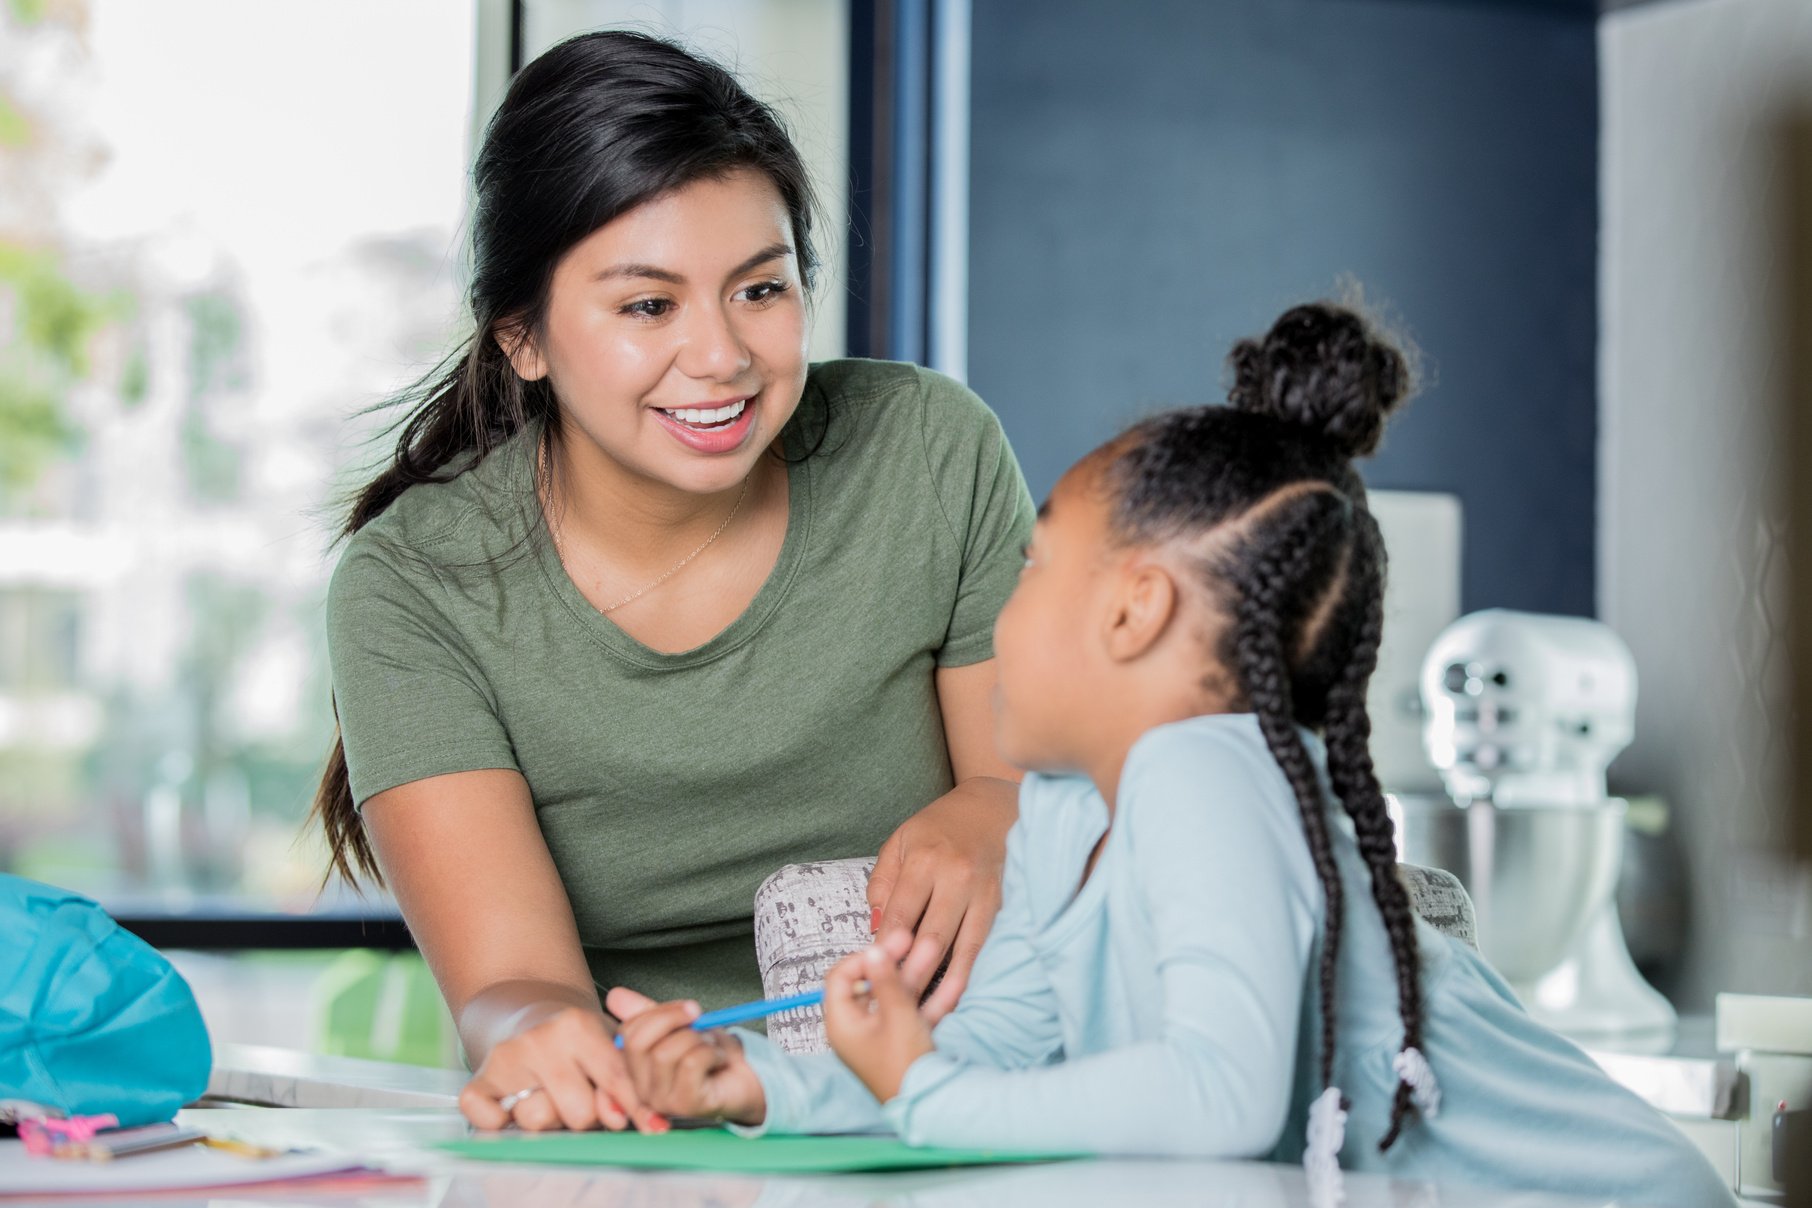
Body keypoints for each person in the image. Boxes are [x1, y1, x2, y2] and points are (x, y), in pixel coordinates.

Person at [609, 302, 1737, 1207]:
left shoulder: (1209, 771)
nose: (1002, 610)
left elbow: (1221, 1097)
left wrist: (919, 1084)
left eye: (1037, 566)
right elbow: (995, 1057)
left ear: (1133, 612)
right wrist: (763, 1084)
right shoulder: (1059, 810)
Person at [313, 30, 1033, 1135]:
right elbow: (514, 983)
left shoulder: (930, 449)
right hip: (651, 1131)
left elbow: (1032, 788)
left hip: (944, 1099)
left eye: (760, 289)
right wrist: (534, 1036)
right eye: (648, 306)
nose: (721, 356)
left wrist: (992, 811)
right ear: (523, 334)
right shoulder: (414, 587)